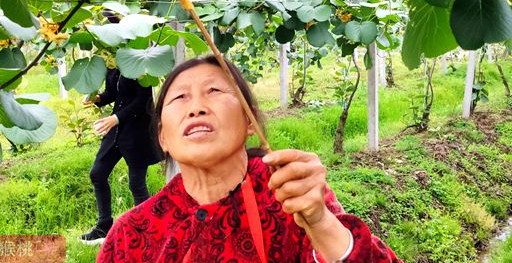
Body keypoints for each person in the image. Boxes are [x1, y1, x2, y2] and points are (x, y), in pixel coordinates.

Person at [96, 56, 402, 262]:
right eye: (180, 98)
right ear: (162, 136)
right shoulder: (129, 234)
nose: (197, 108)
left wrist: (321, 222)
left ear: (249, 121)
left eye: (214, 90)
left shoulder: (291, 196)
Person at [79, 65, 163, 245]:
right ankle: (104, 226)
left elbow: (144, 100)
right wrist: (98, 98)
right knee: (98, 174)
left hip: (137, 132)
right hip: (116, 130)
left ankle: (147, 232)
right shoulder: (112, 61)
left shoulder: (138, 64)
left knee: (136, 184)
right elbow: (113, 92)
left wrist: (115, 118)